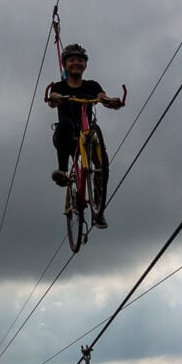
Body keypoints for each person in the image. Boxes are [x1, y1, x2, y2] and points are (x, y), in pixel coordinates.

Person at [47, 43, 123, 228]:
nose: (76, 63)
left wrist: (111, 101)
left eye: (80, 60)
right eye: (72, 60)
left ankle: (98, 211)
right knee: (66, 124)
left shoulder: (91, 85)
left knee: (102, 166)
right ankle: (62, 170)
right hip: (66, 136)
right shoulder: (59, 85)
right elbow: (53, 98)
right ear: (65, 64)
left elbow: (102, 97)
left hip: (87, 135)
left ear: (85, 65)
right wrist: (54, 98)